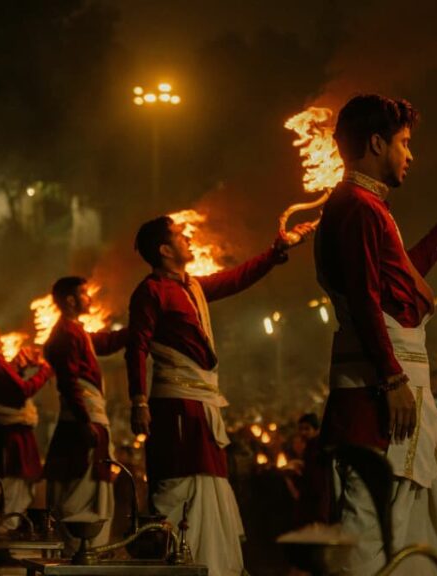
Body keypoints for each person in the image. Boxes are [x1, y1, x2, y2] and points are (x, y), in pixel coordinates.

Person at [314, 93, 437, 575]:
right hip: (379, 401)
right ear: (376, 142)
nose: (411, 154)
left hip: (392, 396)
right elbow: (367, 299)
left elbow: (398, 283)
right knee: (367, 541)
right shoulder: (357, 206)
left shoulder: (366, 205)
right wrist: (392, 380)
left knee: (415, 537)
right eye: (405, 143)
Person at [125, 214, 312, 575]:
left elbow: (236, 279)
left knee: (210, 483)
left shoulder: (191, 287)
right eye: (180, 236)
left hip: (203, 404)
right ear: (165, 250)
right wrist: (138, 400)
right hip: (175, 404)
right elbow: (136, 348)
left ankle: (216, 567)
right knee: (181, 484)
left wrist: (276, 252)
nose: (188, 239)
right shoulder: (150, 292)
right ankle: (181, 565)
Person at [43, 276, 127, 551]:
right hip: (83, 423)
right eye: (84, 293)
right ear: (70, 300)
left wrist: (139, 327)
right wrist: (84, 421)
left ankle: (86, 552)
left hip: (85, 420)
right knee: (83, 491)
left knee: (92, 488)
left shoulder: (76, 331)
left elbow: (107, 342)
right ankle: (80, 554)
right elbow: (69, 381)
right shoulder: (66, 334)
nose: (90, 299)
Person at [0, 320, 53, 533]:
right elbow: (21, 391)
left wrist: (19, 366)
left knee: (8, 489)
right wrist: (45, 370)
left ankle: (2, 536)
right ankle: (2, 538)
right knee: (10, 487)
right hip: (9, 436)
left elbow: (8, 387)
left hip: (3, 433)